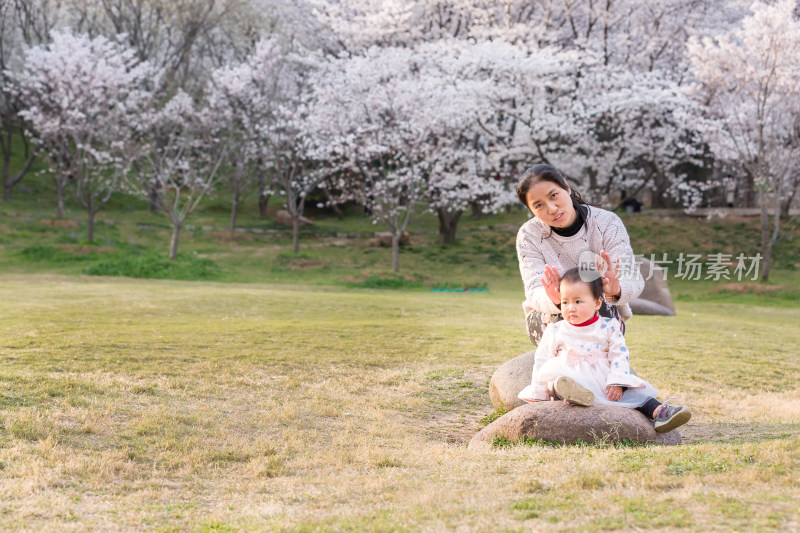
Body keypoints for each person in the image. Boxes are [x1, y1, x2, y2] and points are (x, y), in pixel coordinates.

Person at [517, 268, 691, 433]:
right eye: (565, 302)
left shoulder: (608, 326)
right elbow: (542, 359)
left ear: (597, 302)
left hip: (603, 377)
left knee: (636, 394)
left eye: (578, 301)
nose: (570, 308)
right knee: (558, 384)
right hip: (569, 374)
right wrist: (539, 393)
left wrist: (617, 381)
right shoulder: (556, 329)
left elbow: (619, 354)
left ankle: (660, 413)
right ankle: (571, 396)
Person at [515, 164, 644, 345]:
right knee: (561, 318)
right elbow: (534, 290)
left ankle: (589, 367)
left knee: (593, 310)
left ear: (566, 187)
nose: (552, 209)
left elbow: (634, 279)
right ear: (531, 210)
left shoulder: (607, 223)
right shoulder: (529, 235)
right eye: (538, 205)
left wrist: (616, 289)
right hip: (551, 312)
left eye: (554, 195)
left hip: (601, 310)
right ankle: (562, 370)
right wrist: (557, 300)